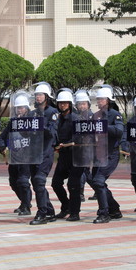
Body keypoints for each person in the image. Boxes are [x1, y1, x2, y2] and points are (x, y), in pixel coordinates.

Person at [89, 85, 124, 224]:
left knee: (98, 181)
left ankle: (104, 213)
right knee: (96, 182)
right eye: (98, 99)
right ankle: (114, 209)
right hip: (98, 154)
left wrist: (103, 126)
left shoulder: (115, 114)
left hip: (111, 154)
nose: (99, 101)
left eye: (102, 99)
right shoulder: (95, 115)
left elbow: (119, 130)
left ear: (108, 100)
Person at [0, 93, 33, 216]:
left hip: (27, 158)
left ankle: (27, 206)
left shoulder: (32, 122)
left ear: (27, 108)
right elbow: (2, 137)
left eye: (22, 107)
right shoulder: (13, 122)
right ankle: (24, 202)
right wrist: (3, 146)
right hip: (14, 157)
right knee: (13, 182)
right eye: (18, 108)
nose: (20, 110)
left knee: (23, 181)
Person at [52, 88, 84, 221]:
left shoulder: (76, 119)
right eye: (60, 103)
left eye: (65, 103)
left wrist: (70, 143)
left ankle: (75, 213)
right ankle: (66, 207)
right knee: (56, 183)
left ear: (70, 104)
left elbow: (82, 138)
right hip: (64, 156)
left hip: (77, 156)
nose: (62, 105)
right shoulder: (58, 119)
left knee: (73, 184)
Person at [29, 82, 59, 225]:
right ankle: (49, 211)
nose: (38, 97)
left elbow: (52, 132)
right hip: (33, 153)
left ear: (47, 96)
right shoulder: (32, 113)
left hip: (46, 152)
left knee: (39, 181)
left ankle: (41, 213)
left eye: (40, 94)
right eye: (36, 95)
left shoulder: (52, 112)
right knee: (35, 183)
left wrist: (40, 125)